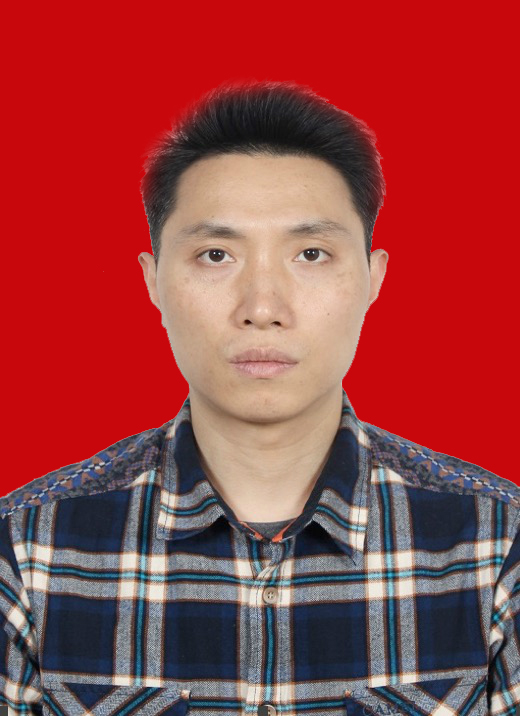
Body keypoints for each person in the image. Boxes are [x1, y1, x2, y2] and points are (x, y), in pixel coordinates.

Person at [0, 80, 518, 716]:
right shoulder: (28, 548)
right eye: (216, 254)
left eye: (311, 253)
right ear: (153, 280)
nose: (263, 308)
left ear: (373, 278)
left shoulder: (497, 544)